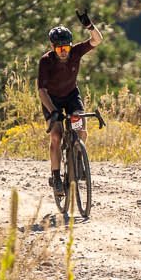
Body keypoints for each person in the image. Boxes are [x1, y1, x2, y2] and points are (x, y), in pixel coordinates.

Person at [38, 20, 101, 195]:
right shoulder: (46, 61)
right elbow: (42, 91)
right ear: (52, 47)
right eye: (59, 49)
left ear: (71, 46)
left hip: (71, 95)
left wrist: (90, 26)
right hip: (52, 100)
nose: (64, 52)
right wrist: (53, 112)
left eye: (66, 47)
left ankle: (78, 156)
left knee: (80, 127)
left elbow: (96, 40)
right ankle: (56, 177)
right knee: (56, 136)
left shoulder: (75, 52)